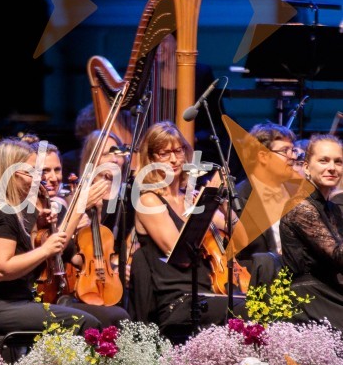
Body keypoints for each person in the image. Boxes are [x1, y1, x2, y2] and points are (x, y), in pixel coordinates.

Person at [0, 137, 102, 335]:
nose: (39, 179)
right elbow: (2, 269)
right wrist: (46, 249)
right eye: (32, 172)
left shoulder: (12, 210)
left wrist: (39, 229)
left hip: (15, 302)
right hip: (0, 307)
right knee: (87, 324)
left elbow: (22, 259)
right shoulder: (0, 213)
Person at [128, 121, 247, 339]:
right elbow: (180, 253)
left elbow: (243, 236)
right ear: (152, 158)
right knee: (242, 312)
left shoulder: (191, 198)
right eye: (164, 153)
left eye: (178, 151)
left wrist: (221, 201)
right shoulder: (148, 200)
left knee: (255, 305)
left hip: (206, 292)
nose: (174, 160)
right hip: (177, 300)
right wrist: (207, 200)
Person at [36, 138, 131, 327]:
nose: (53, 178)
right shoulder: (34, 211)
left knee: (118, 312)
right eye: (45, 171)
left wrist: (104, 268)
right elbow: (56, 247)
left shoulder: (59, 207)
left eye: (57, 169)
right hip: (43, 293)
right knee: (115, 317)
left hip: (66, 289)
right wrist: (79, 209)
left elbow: (74, 257)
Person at [280, 134, 343, 331]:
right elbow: (338, 256)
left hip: (329, 289)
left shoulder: (332, 208)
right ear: (306, 166)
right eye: (323, 160)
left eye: (338, 161)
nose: (332, 167)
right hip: (307, 297)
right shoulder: (300, 207)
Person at [233, 123, 297, 285]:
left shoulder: (297, 194)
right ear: (263, 156)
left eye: (293, 150)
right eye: (285, 151)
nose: (293, 157)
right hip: (259, 284)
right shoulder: (237, 198)